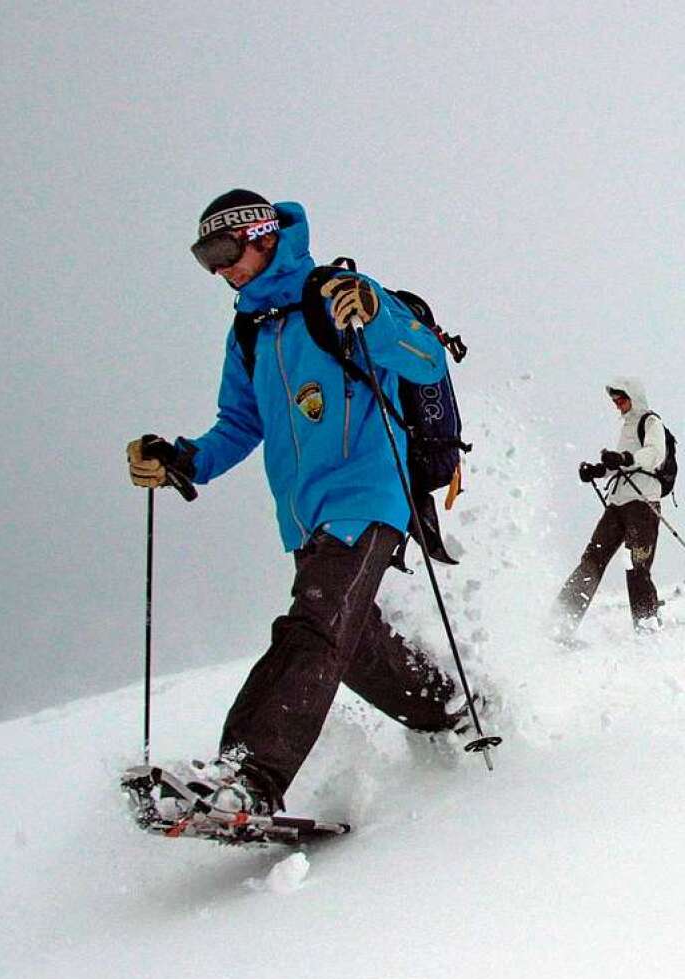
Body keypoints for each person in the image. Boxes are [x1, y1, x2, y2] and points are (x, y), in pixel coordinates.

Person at [126, 189, 474, 818]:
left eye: (223, 250)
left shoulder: (340, 294)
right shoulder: (250, 332)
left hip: (369, 495)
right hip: (306, 518)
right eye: (204, 258)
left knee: (312, 628)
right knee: (351, 645)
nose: (218, 269)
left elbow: (423, 360)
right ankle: (451, 709)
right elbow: (238, 424)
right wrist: (182, 459)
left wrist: (378, 315)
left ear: (261, 235)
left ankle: (247, 775)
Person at [554, 376, 666, 638]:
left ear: (634, 396)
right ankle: (560, 623)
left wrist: (625, 458)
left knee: (635, 563)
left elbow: (654, 454)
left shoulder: (650, 421)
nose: (618, 404)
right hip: (618, 503)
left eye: (622, 399)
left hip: (642, 502)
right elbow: (621, 464)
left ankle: (647, 624)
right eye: (615, 401)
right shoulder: (627, 426)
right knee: (592, 559)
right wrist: (598, 470)